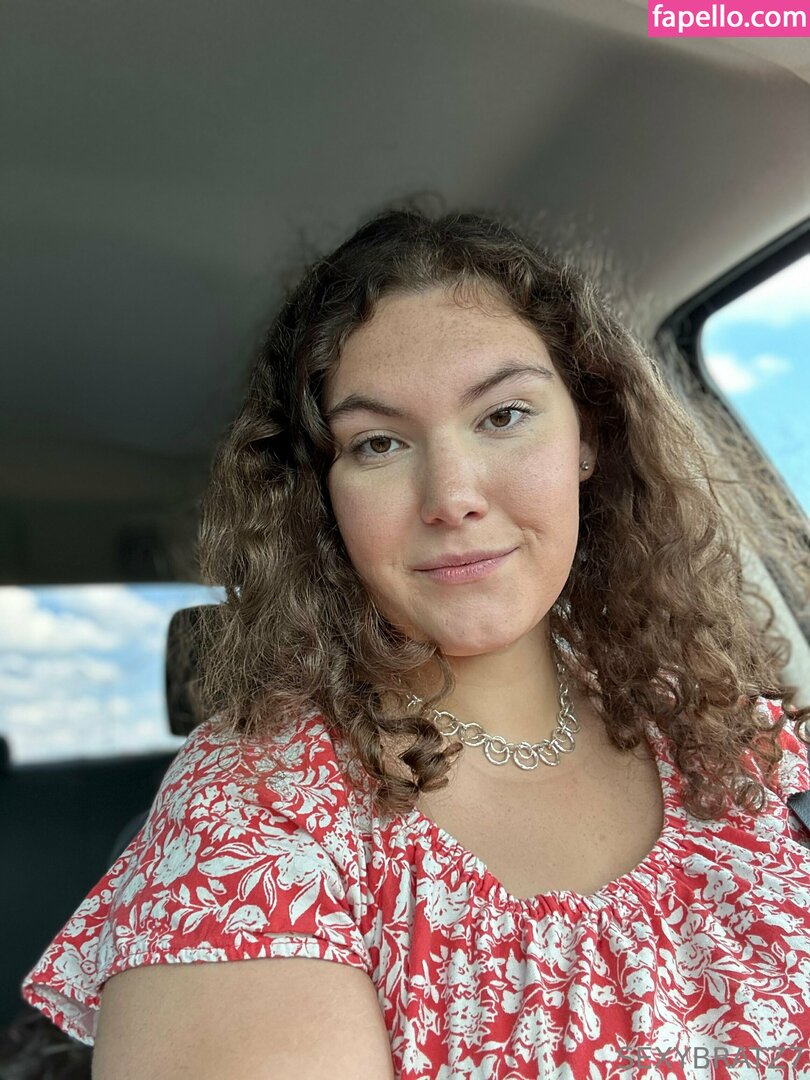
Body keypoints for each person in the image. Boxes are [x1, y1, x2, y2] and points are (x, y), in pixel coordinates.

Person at [20, 203, 810, 1079]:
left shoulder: (731, 734)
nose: (452, 497)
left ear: (589, 437)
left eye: (503, 415)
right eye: (379, 443)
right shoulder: (252, 816)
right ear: (323, 499)